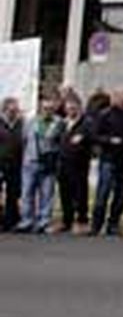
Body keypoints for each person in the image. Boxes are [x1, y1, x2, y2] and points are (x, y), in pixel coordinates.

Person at [89, 88, 123, 237]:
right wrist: (109, 140)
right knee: (103, 193)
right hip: (108, 159)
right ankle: (96, 225)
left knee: (120, 195)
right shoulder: (105, 114)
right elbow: (95, 135)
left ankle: (113, 224)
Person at [19, 94, 64, 234]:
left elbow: (59, 141)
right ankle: (27, 221)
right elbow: (24, 140)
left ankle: (44, 221)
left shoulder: (59, 123)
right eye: (45, 108)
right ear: (40, 108)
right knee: (27, 193)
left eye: (50, 109)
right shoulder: (30, 122)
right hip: (30, 162)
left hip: (48, 163)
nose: (47, 111)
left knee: (47, 193)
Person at [56, 94, 94, 234]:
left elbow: (92, 137)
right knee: (64, 193)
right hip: (63, 163)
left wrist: (82, 138)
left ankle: (82, 221)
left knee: (80, 193)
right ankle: (67, 221)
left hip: (79, 164)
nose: (71, 110)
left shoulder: (87, 123)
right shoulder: (62, 123)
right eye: (68, 107)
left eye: (73, 107)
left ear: (79, 107)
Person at [0, 96, 26, 231]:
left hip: (16, 163)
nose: (13, 113)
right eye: (11, 111)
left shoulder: (21, 124)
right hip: (1, 162)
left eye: (15, 111)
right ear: (4, 110)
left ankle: (10, 221)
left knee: (13, 193)